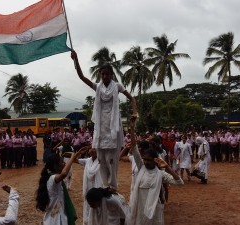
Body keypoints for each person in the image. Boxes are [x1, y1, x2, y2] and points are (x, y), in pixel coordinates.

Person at [71, 50, 137, 189]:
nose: (105, 76)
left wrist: (134, 112)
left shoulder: (117, 86)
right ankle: (104, 186)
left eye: (108, 74)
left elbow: (132, 98)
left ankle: (113, 187)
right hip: (101, 128)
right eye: (103, 74)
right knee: (101, 160)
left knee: (111, 160)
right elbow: (82, 77)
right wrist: (75, 60)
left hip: (113, 127)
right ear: (100, 75)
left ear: (112, 75)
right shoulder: (97, 87)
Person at [129, 119, 183, 225]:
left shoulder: (160, 173)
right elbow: (134, 148)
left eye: (148, 160)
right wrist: (131, 129)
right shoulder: (141, 167)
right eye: (144, 159)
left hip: (153, 208)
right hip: (139, 204)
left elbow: (179, 182)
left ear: (155, 160)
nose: (145, 162)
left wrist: (167, 167)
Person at [36, 150, 84, 225]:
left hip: (55, 215)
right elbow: (64, 174)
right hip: (56, 219)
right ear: (55, 166)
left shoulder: (50, 177)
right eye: (62, 162)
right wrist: (72, 157)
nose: (64, 164)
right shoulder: (52, 178)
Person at [75, 147, 102, 225]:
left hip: (97, 187)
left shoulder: (101, 161)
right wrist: (79, 151)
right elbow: (74, 160)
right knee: (88, 204)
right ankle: (87, 221)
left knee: (97, 205)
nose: (92, 150)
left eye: (94, 149)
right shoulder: (87, 160)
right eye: (91, 149)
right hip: (88, 188)